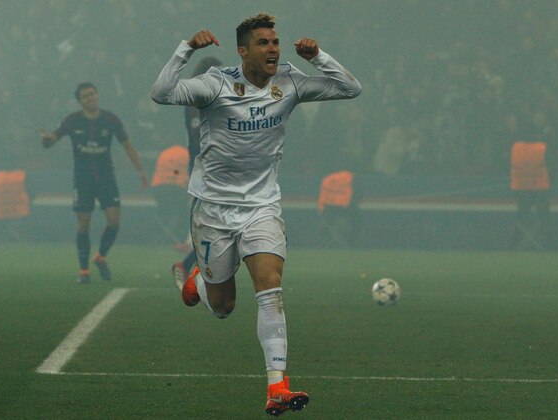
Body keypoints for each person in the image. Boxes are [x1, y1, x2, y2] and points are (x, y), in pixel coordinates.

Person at [151, 13, 361, 415]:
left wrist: (319, 57)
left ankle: (277, 386)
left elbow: (350, 88)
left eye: (275, 42)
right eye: (263, 43)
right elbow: (161, 93)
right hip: (212, 210)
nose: (273, 49)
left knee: (270, 287)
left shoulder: (290, 82)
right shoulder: (216, 85)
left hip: (262, 206)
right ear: (243, 51)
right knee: (224, 306)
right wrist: (186, 49)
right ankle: (199, 277)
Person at [41, 82, 148, 283]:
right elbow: (51, 141)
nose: (91, 98)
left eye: (93, 94)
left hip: (106, 177)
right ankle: (84, 271)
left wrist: (140, 171)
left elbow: (127, 145)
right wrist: (46, 139)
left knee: (114, 220)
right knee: (83, 223)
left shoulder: (110, 119)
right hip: (83, 179)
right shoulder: (72, 121)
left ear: (97, 96)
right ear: (80, 101)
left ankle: (100, 256)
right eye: (86, 96)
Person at [171, 57, 223, 290]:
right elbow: (197, 138)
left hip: (217, 171)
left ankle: (195, 267)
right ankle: (190, 266)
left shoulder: (212, 101)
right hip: (205, 172)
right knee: (212, 224)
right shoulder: (195, 102)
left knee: (217, 224)